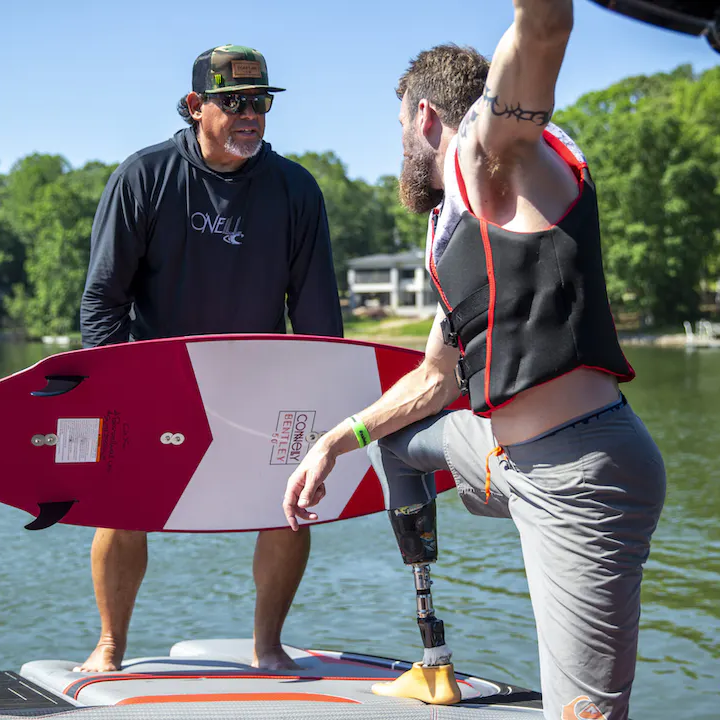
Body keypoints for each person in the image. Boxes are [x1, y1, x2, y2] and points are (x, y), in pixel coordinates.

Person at [283, 3, 665, 719]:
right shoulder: (456, 233)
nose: (398, 143)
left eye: (399, 127)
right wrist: (334, 442)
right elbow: (434, 378)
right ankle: (433, 662)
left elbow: (545, 28)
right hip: (502, 459)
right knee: (397, 444)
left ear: (425, 117)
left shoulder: (495, 157)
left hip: (581, 483)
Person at [79, 44, 343, 673]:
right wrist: (121, 391)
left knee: (293, 502)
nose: (250, 114)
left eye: (260, 102)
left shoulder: (296, 189)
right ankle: (110, 646)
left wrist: (322, 411)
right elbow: (102, 301)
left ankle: (268, 646)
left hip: (259, 383)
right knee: (121, 507)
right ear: (197, 106)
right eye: (234, 102)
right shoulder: (143, 177)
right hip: (155, 380)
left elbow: (316, 315)